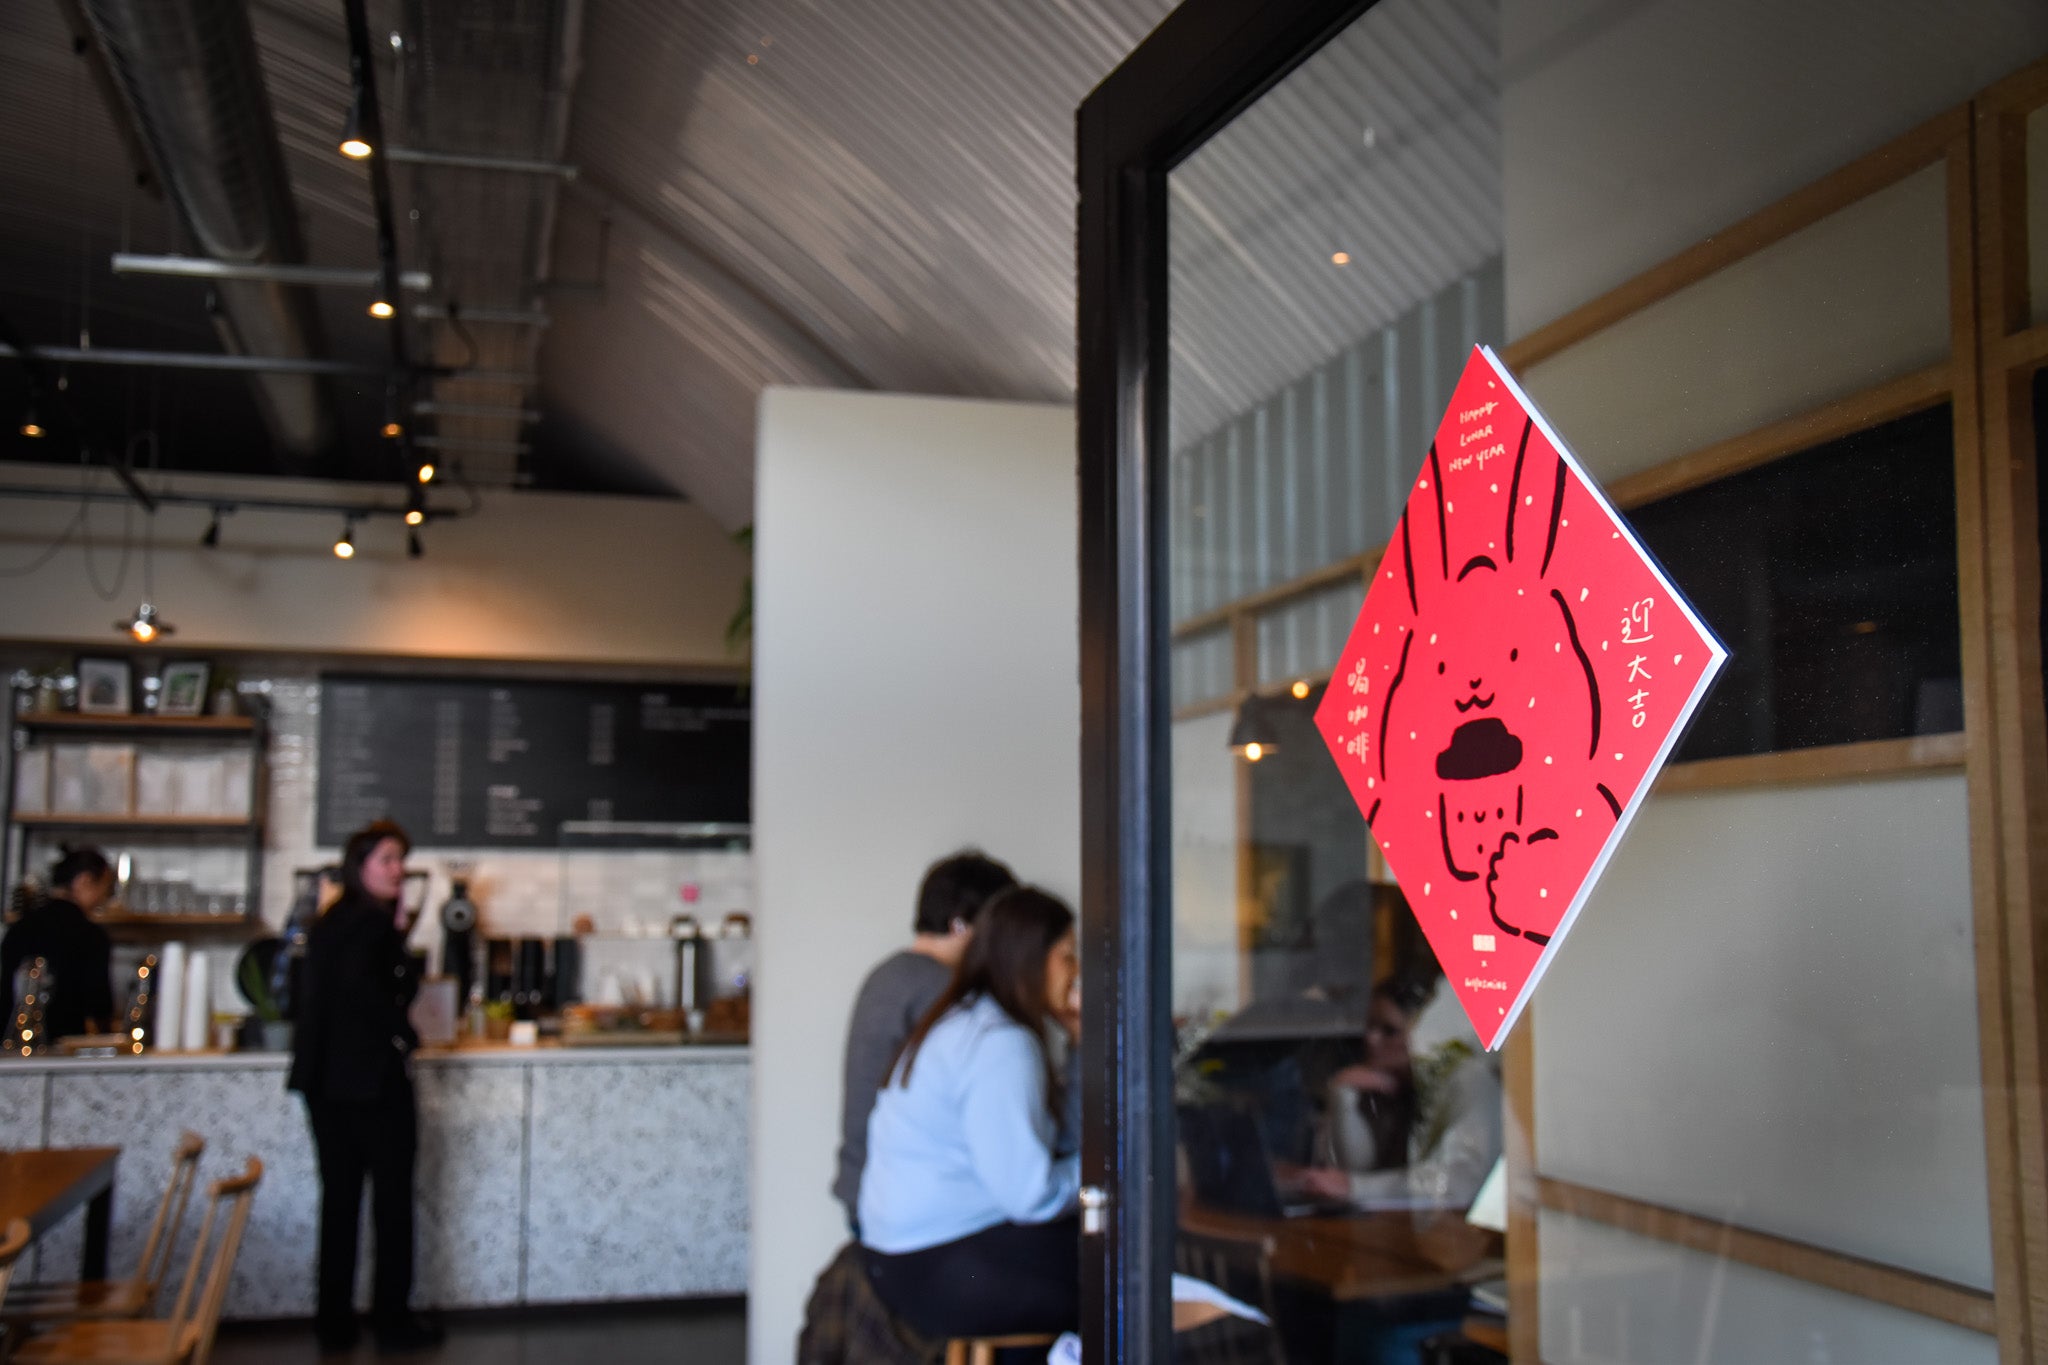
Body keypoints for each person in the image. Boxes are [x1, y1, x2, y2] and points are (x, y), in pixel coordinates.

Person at [859, 887, 1083, 1346]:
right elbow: (1029, 1196)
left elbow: (1045, 1145)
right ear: (1031, 959)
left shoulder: (962, 1020)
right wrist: (1104, 1176)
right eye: (1068, 956)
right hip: (942, 1267)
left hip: (900, 1258)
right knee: (1129, 1283)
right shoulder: (1001, 1043)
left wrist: (1079, 1039)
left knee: (1097, 1261)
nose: (1076, 972)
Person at [286, 820, 441, 1354]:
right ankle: (392, 1321)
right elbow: (369, 993)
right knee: (392, 1204)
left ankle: (334, 1321)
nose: (399, 871)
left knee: (341, 1202)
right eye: (389, 860)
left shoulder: (330, 921)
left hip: (324, 1083)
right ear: (361, 866)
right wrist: (406, 1037)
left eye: (401, 860)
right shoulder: (372, 926)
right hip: (372, 1082)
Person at [833, 850, 1017, 1229]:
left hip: (862, 1181)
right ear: (962, 925)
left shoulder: (886, 974)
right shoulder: (940, 990)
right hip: (900, 1195)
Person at [1297, 975, 1502, 1212]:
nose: (1371, 1039)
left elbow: (1460, 1181)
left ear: (1423, 1033)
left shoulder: (1469, 1079)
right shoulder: (1389, 1084)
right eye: (1369, 1027)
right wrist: (1344, 1098)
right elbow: (1354, 1169)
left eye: (1389, 1030)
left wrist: (1357, 1187)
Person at [2, 846, 116, 1045]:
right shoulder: (90, 935)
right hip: (66, 1048)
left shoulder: (19, 928)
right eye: (104, 889)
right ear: (85, 881)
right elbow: (100, 1006)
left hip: (9, 1045)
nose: (104, 898)